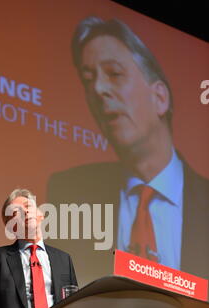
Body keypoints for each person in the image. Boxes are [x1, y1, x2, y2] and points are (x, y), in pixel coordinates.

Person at [48, 17, 209, 284]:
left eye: (114, 74)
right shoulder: (70, 191)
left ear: (160, 97)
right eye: (89, 80)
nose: (98, 89)